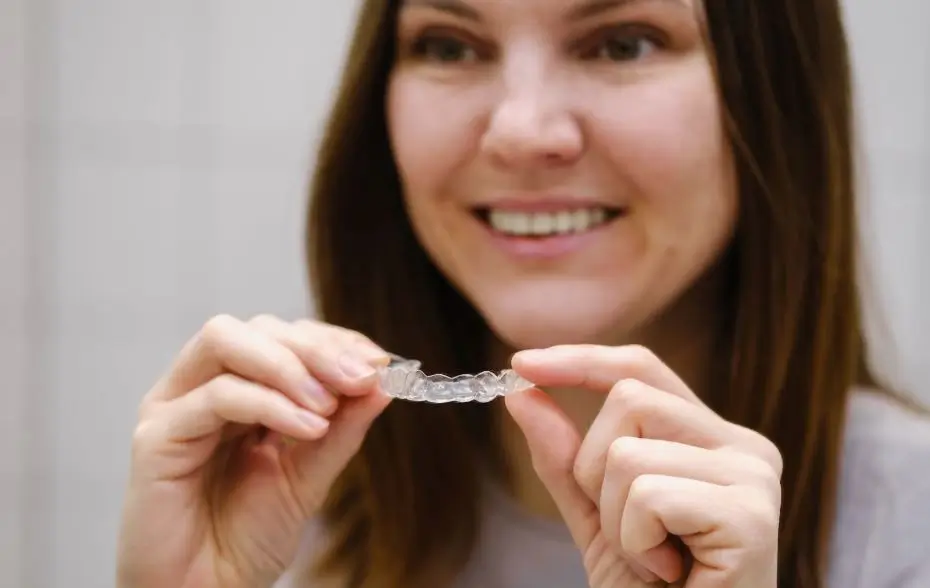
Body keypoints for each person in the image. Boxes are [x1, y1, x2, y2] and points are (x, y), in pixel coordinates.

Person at [115, 0, 930, 587]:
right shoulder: (299, 504)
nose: (520, 131)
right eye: (450, 44)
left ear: (774, 97)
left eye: (623, 43)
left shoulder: (909, 528)